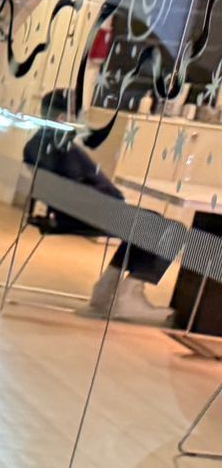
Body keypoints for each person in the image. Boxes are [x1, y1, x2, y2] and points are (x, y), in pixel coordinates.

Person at [20, 92, 173, 322]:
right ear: (63, 118)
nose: (82, 121)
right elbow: (79, 190)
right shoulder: (61, 149)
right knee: (168, 229)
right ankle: (125, 296)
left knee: (152, 220)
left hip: (78, 211)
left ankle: (108, 291)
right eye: (80, 115)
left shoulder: (41, 145)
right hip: (86, 213)